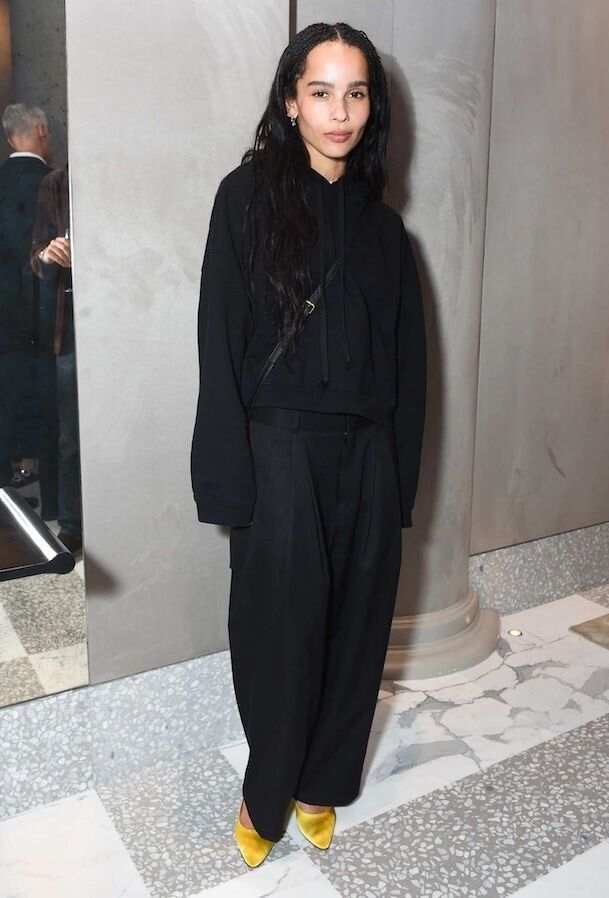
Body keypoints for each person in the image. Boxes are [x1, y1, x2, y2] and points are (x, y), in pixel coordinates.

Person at [191, 22, 427, 867]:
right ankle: (267, 789)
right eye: (321, 91)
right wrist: (227, 476)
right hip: (278, 448)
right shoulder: (245, 197)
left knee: (358, 627)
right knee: (276, 631)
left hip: (365, 455)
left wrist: (397, 480)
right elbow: (217, 342)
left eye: (356, 93)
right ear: (291, 102)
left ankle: (324, 781)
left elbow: (408, 370)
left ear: (374, 107)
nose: (340, 110)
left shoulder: (386, 233)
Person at [0, 103, 53, 491]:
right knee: (37, 391)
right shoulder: (51, 183)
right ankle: (32, 467)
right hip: (37, 309)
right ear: (41, 130)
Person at [30, 165, 82, 554]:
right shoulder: (57, 183)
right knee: (70, 437)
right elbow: (35, 255)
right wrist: (49, 252)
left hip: (124, 312)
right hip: (73, 325)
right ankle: (73, 524)